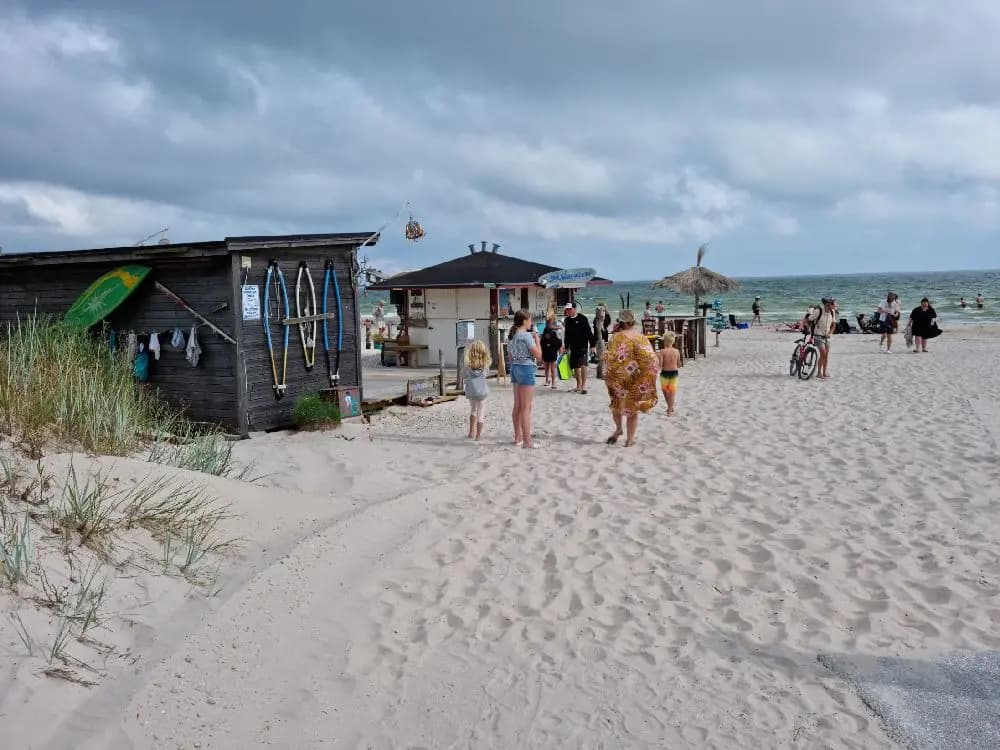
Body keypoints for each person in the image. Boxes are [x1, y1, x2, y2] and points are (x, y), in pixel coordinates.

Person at [602, 310, 659, 446]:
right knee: (632, 408)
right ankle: (630, 439)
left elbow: (608, 358)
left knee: (616, 403)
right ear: (633, 322)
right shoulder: (641, 337)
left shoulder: (616, 337)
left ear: (621, 322)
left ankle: (619, 429)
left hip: (619, 378)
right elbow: (651, 359)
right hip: (636, 378)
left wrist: (609, 374)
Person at [506, 309, 543, 448]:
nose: (531, 322)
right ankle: (527, 442)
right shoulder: (526, 336)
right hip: (526, 368)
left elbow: (510, 356)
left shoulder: (511, 336)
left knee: (518, 406)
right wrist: (537, 339)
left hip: (515, 368)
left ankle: (517, 438)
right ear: (524, 321)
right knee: (526, 408)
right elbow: (538, 355)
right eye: (530, 320)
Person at [561, 301, 595, 394]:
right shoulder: (567, 320)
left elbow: (589, 332)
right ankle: (578, 385)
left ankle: (584, 386)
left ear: (575, 309)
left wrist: (592, 345)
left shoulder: (582, 318)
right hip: (573, 347)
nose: (568, 311)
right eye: (567, 309)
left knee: (583, 365)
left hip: (583, 346)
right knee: (576, 367)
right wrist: (566, 347)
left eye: (570, 309)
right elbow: (567, 335)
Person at [463, 340, 491, 440]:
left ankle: (471, 432)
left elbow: (464, 376)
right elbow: (486, 374)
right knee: (481, 412)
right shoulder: (485, 366)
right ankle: (478, 436)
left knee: (473, 410)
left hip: (471, 391)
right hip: (482, 392)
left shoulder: (467, 366)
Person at [803, 298, 837, 379]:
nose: (835, 305)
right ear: (827, 304)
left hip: (827, 337)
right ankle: (819, 373)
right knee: (823, 354)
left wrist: (830, 333)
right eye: (833, 304)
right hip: (818, 336)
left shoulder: (832, 312)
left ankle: (824, 372)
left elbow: (834, 324)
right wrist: (803, 325)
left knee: (826, 356)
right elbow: (808, 319)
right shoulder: (818, 311)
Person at [657, 330, 681, 415]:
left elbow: (660, 365)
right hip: (674, 373)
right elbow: (679, 364)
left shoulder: (662, 351)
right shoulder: (677, 351)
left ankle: (670, 409)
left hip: (664, 373)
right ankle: (670, 408)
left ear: (664, 341)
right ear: (673, 341)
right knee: (672, 392)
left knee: (665, 391)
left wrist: (657, 357)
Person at [540, 314, 561, 389]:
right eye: (546, 335)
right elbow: (541, 345)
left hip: (553, 353)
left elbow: (559, 343)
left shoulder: (554, 335)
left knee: (552, 369)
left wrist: (560, 352)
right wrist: (541, 355)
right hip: (546, 353)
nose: (547, 336)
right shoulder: (545, 332)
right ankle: (546, 380)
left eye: (548, 335)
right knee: (546, 368)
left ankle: (553, 383)